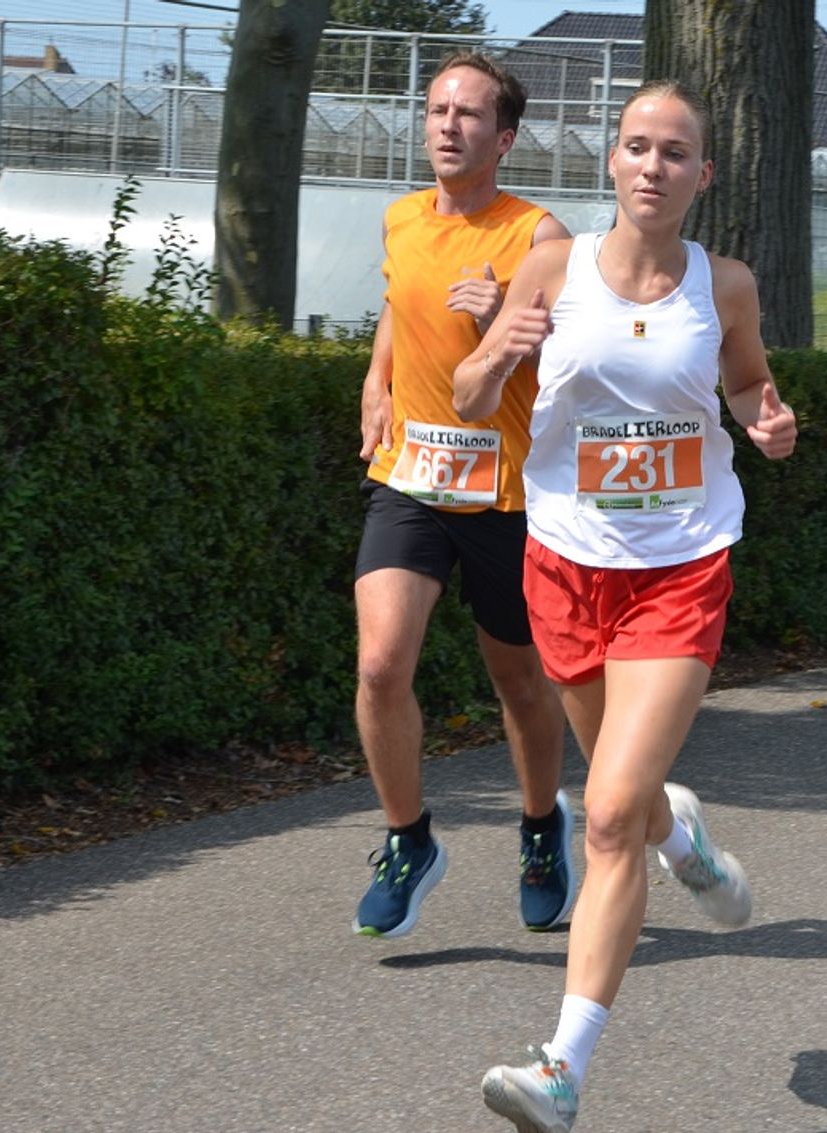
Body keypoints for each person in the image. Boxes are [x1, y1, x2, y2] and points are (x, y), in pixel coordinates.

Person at [451, 79, 799, 1132]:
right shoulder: (552, 268)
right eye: (637, 146)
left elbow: (746, 387)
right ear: (613, 161)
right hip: (565, 564)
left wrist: (768, 421)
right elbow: (467, 395)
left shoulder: (723, 285)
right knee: (632, 800)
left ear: (702, 175)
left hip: (680, 568)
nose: (653, 165)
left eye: (675, 151)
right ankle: (684, 841)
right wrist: (499, 348)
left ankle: (561, 1066)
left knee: (604, 814)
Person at [350, 52, 578, 940]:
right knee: (379, 665)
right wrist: (377, 378)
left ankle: (539, 829)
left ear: (505, 137)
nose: (448, 125)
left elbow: (575, 367)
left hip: (510, 491)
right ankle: (409, 841)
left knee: (519, 683)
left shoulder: (539, 238)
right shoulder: (401, 218)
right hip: (410, 476)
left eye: (470, 114)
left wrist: (499, 320)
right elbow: (399, 306)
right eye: (438, 110)